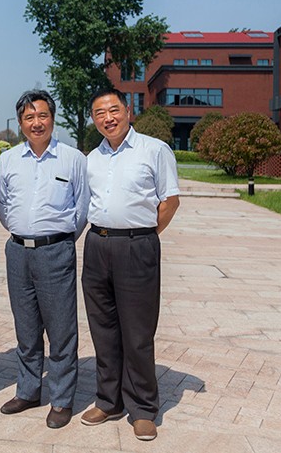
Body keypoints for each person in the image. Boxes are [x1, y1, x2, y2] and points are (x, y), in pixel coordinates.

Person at [81, 88, 180, 441]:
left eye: (113, 110)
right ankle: (109, 401)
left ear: (127, 110)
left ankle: (142, 408)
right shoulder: (92, 158)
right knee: (103, 329)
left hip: (137, 246)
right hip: (97, 245)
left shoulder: (154, 150)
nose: (107, 118)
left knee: (137, 332)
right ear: (94, 119)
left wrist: (143, 236)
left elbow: (170, 201)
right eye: (99, 113)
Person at [0, 90, 89, 429]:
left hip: (56, 251)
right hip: (17, 251)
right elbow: (2, 205)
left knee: (61, 329)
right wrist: (22, 232)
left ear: (52, 118)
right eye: (29, 117)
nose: (37, 123)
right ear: (21, 123)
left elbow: (82, 208)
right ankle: (28, 390)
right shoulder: (7, 160)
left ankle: (61, 399)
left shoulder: (72, 159)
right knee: (26, 327)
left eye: (42, 115)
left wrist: (58, 241)